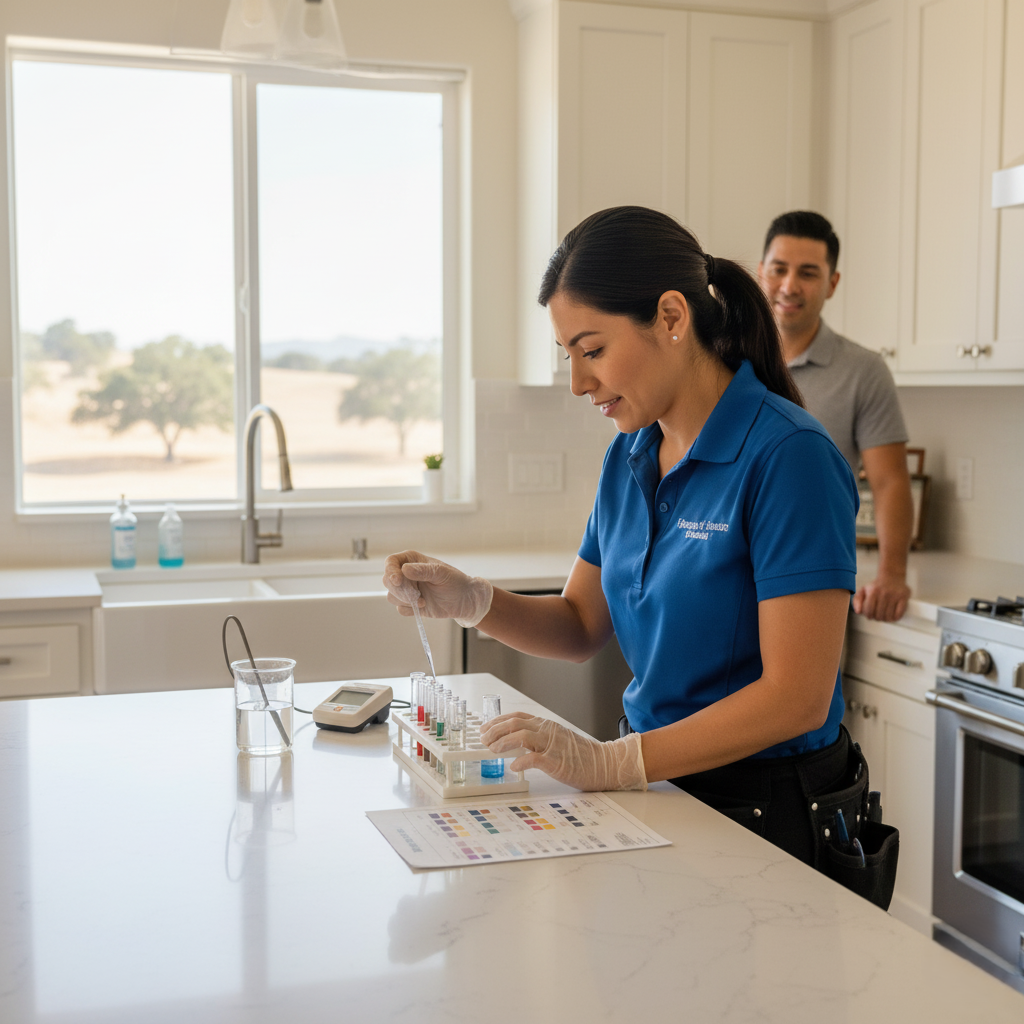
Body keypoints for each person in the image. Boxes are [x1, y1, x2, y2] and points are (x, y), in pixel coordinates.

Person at [383, 207, 865, 870]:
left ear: (671, 317)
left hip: (764, 810)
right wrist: (472, 600)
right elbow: (581, 624)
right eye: (569, 356)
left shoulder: (790, 456)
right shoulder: (631, 454)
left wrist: (613, 762)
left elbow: (797, 697)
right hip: (656, 789)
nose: (578, 383)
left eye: (593, 351)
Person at [758, 211, 913, 623]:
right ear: (760, 272)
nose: (789, 286)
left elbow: (890, 481)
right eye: (779, 269)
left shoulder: (864, 371)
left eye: (808, 273)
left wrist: (892, 574)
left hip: (815, 586)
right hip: (727, 574)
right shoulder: (723, 360)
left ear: (832, 283)